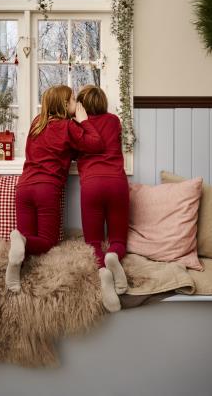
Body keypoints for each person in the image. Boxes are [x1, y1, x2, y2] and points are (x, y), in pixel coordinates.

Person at [5, 84, 104, 293]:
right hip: (46, 189)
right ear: (64, 104)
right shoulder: (68, 127)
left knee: (28, 245)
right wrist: (84, 121)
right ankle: (20, 240)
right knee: (47, 242)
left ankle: (17, 254)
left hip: (23, 187)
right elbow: (96, 144)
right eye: (73, 100)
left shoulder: (36, 123)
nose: (76, 103)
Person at [75, 85, 129, 313]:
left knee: (93, 243)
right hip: (117, 183)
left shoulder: (77, 128)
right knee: (118, 239)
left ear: (81, 107)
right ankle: (114, 255)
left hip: (92, 186)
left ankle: (102, 273)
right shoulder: (115, 121)